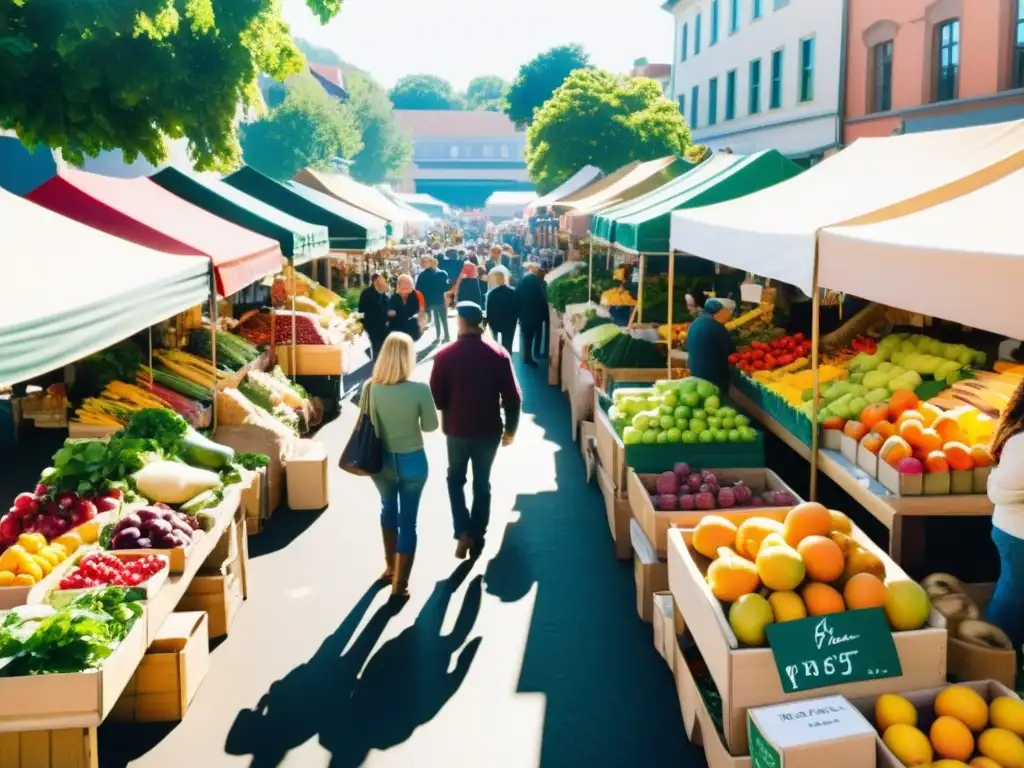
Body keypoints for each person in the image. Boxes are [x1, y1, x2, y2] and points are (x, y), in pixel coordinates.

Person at [430, 301, 522, 560]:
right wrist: (511, 430)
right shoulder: (498, 353)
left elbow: (436, 398)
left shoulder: (445, 355)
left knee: (455, 480)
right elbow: (513, 398)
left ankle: (462, 531)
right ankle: (478, 536)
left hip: (457, 429)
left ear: (459, 321)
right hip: (489, 430)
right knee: (482, 484)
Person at [361, 333, 439, 597]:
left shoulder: (371, 387)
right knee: (409, 522)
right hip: (413, 460)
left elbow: (367, 423)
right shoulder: (419, 390)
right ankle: (401, 584)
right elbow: (431, 426)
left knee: (387, 509)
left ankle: (389, 568)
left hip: (381, 461)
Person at [984, 381, 1024, 649]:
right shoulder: (1021, 443)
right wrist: (994, 481)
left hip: (1012, 530)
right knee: (1012, 598)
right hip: (1018, 536)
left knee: (1013, 595)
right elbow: (1005, 488)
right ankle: (994, 658)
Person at [686, 298, 736, 393]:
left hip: (695, 371)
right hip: (713, 375)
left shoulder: (695, 323)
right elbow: (731, 351)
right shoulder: (716, 327)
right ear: (718, 312)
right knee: (717, 398)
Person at [516, 262, 548, 367]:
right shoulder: (540, 284)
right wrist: (544, 315)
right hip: (535, 315)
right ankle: (532, 356)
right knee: (532, 335)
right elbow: (542, 300)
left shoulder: (525, 280)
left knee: (526, 336)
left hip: (524, 313)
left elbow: (517, 294)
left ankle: (526, 357)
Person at [415, 254, 451, 343]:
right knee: (443, 319)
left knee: (436, 318)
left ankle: (438, 336)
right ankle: (446, 336)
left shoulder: (422, 275)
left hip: (430, 301)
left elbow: (418, 289)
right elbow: (446, 288)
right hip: (440, 299)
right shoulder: (443, 273)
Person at [484, 268, 518, 354]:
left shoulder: (492, 294)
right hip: (510, 324)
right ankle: (508, 361)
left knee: (496, 345)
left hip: (496, 324)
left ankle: (498, 361)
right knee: (508, 345)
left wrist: (487, 322)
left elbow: (490, 311)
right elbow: (517, 308)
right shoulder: (513, 292)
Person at [358, 272, 390, 360]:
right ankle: (376, 364)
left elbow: (388, 307)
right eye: (383, 279)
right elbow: (361, 309)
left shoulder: (384, 293)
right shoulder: (366, 293)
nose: (385, 282)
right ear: (375, 281)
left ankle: (375, 357)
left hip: (383, 324)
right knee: (376, 345)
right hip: (371, 324)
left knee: (382, 344)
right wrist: (363, 323)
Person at [387, 274, 424, 341]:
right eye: (401, 284)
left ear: (411, 286)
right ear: (398, 286)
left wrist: (420, 323)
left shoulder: (417, 295)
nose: (404, 287)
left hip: (412, 329)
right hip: (397, 329)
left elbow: (421, 311)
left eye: (407, 284)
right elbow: (388, 311)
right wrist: (390, 313)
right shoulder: (394, 297)